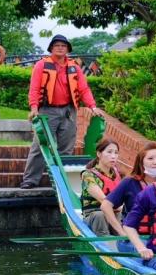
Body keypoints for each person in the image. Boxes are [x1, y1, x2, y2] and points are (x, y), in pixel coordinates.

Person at [19, 34, 104, 189]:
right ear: (51, 48)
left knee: (66, 148)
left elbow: (84, 89)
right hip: (46, 111)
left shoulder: (74, 67)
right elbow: (35, 88)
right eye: (57, 45)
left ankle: (63, 183)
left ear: (67, 49)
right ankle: (30, 180)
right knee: (40, 146)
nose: (60, 48)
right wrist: (34, 108)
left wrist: (93, 106)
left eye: (63, 46)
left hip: (68, 111)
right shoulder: (41, 65)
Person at [102, 142, 156, 243]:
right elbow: (105, 206)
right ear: (141, 163)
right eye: (150, 159)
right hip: (133, 239)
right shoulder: (129, 182)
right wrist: (122, 233)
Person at [80, 137, 122, 236]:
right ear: (99, 154)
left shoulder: (118, 174)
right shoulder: (88, 175)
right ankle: (104, 244)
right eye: (109, 152)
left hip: (115, 212)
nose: (113, 156)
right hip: (94, 214)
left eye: (116, 153)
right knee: (100, 215)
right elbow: (104, 201)